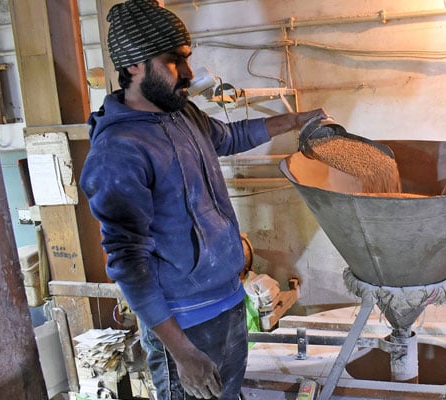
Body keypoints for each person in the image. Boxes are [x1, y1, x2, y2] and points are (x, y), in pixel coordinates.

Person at [80, 1, 326, 399]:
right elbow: (129, 265)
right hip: (186, 326)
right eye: (174, 61)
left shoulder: (182, 115)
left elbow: (231, 138)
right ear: (133, 68)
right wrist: (182, 353)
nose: (189, 74)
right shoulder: (118, 153)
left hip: (229, 302)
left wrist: (297, 120)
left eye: (187, 59)